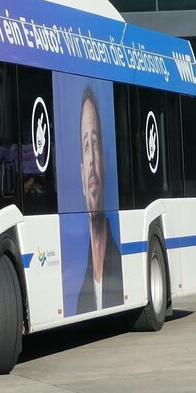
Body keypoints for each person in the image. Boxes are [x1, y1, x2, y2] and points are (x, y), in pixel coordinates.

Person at [76, 87, 123, 313]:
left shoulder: (122, 266)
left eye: (95, 144)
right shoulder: (79, 299)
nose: (92, 160)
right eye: (86, 147)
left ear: (103, 161)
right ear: (81, 173)